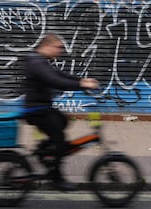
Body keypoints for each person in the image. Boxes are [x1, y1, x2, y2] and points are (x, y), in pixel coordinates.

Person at [21, 33, 99, 191]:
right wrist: (82, 86)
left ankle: (45, 150)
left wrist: (81, 80)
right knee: (59, 137)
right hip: (36, 110)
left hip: (42, 107)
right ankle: (56, 177)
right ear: (46, 46)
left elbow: (59, 75)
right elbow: (55, 81)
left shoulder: (42, 61)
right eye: (58, 47)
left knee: (63, 121)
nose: (60, 51)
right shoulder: (37, 62)